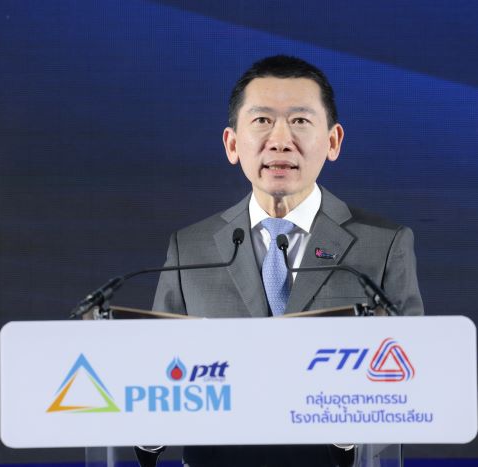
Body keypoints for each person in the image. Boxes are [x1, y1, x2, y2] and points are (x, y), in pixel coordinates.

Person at [138, 55, 424, 467]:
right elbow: (155, 376)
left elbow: (412, 376)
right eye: (262, 121)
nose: (280, 140)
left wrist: (352, 428)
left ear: (333, 141)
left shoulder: (383, 244)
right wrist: (146, 425)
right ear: (232, 144)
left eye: (300, 121)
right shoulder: (191, 247)